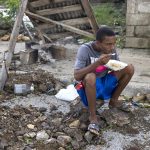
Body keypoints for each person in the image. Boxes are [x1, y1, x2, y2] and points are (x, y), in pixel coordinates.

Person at [74, 27, 134, 135]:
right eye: (108, 44)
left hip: (103, 83)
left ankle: (113, 100)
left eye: (113, 43)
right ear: (98, 43)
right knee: (90, 76)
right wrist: (97, 63)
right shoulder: (85, 49)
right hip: (88, 88)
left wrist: (112, 65)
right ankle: (92, 116)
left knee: (129, 68)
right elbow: (77, 76)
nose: (112, 47)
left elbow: (118, 67)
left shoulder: (111, 50)